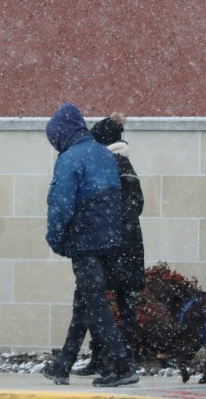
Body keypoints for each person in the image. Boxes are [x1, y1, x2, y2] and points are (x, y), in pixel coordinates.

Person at [41, 103, 138, 387]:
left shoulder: (70, 159)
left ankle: (121, 365)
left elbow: (60, 205)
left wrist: (56, 238)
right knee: (86, 298)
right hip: (108, 240)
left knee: (93, 301)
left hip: (85, 240)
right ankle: (63, 366)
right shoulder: (102, 153)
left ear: (62, 133)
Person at [73, 112, 146, 376]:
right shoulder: (124, 163)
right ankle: (117, 358)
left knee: (98, 301)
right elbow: (137, 205)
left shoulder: (113, 165)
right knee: (118, 303)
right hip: (125, 246)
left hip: (113, 246)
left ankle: (114, 360)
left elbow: (127, 206)